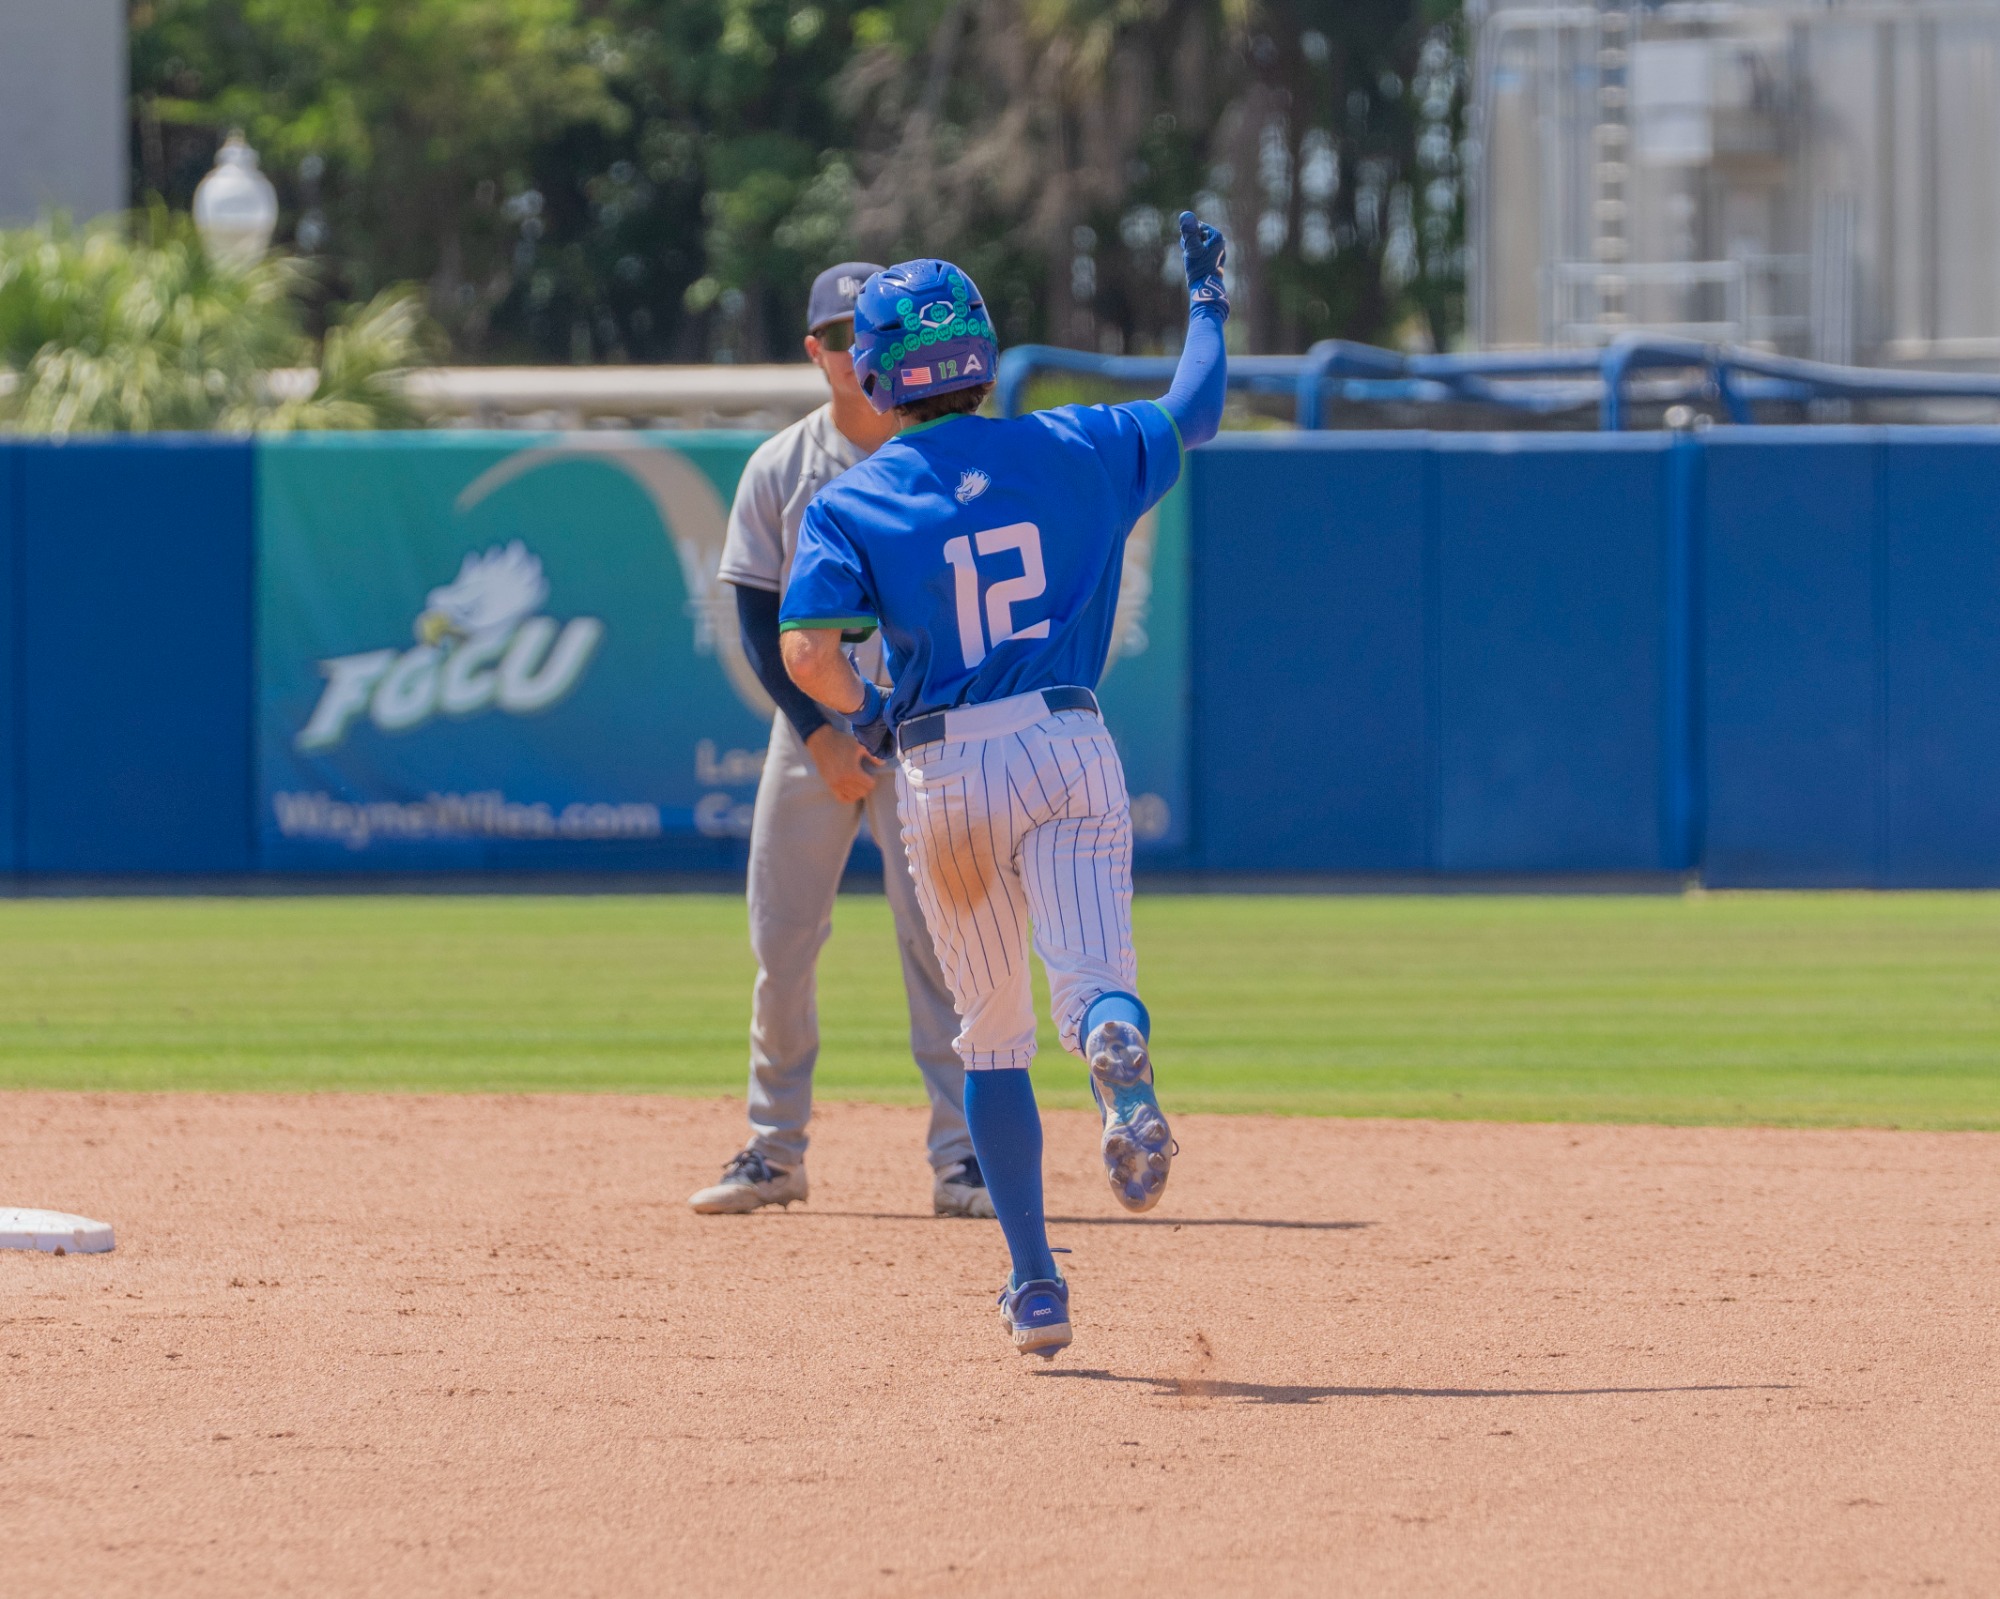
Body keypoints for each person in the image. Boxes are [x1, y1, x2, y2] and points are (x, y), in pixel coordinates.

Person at [776, 214, 1229, 1355]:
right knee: (1091, 985)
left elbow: (806, 652)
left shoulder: (854, 499)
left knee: (988, 1038)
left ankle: (1035, 1288)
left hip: (945, 763)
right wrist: (1208, 303)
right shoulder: (1080, 444)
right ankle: (1115, 1051)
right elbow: (1196, 409)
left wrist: (865, 712)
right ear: (981, 351)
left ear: (874, 374)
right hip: (1067, 740)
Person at [687, 262, 994, 1221]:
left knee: (942, 948)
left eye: (864, 335)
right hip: (812, 735)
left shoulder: (948, 457)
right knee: (781, 943)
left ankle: (964, 1159)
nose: (854, 355)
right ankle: (774, 1151)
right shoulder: (782, 464)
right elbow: (755, 619)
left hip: (921, 734)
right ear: (817, 351)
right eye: (836, 336)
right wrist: (820, 730)